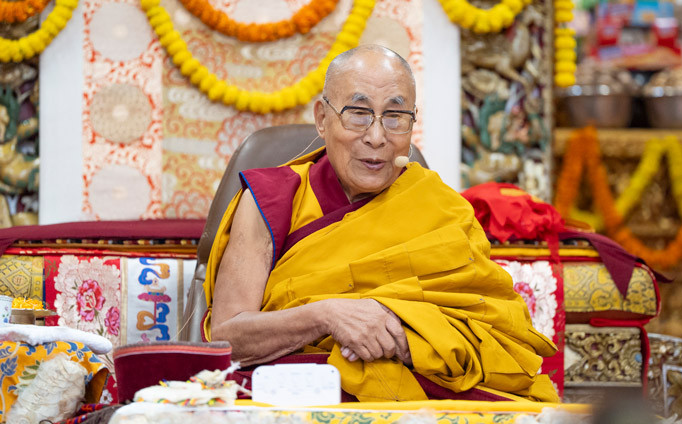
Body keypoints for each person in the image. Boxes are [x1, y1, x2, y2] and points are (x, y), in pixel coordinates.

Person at [203, 45, 558, 402]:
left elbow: (500, 337)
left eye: (395, 116)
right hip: (301, 395)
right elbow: (227, 338)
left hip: (419, 392)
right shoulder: (271, 201)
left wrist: (413, 338)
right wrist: (326, 316)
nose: (376, 137)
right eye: (357, 113)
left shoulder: (443, 210)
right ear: (322, 119)